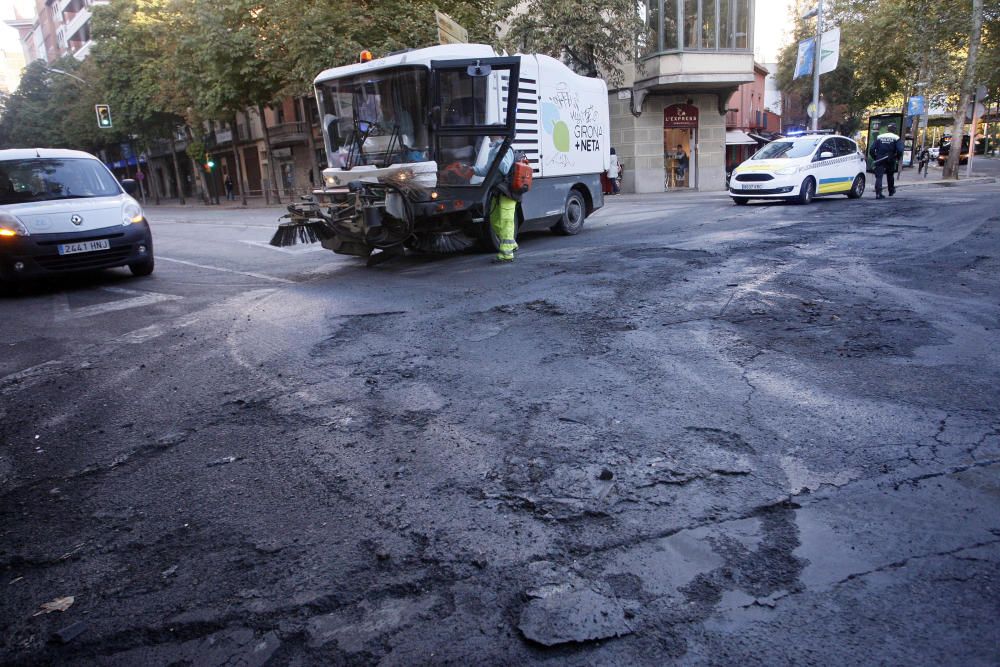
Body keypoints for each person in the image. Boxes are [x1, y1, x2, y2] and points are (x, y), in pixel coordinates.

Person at [473, 138, 517, 264]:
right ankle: (511, 243)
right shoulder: (493, 150)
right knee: (494, 220)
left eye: (491, 134)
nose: (489, 137)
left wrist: (498, 155)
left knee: (506, 220)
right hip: (498, 190)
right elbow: (487, 171)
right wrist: (472, 169)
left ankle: (506, 254)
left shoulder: (505, 149)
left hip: (508, 191)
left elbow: (505, 168)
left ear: (498, 135)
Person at [868, 123, 904, 199]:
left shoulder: (879, 137)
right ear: (894, 130)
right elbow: (900, 150)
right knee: (890, 175)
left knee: (879, 176)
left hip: (880, 158)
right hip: (890, 158)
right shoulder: (896, 137)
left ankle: (878, 193)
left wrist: (875, 157)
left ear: (887, 129)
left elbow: (871, 149)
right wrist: (897, 157)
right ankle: (891, 191)